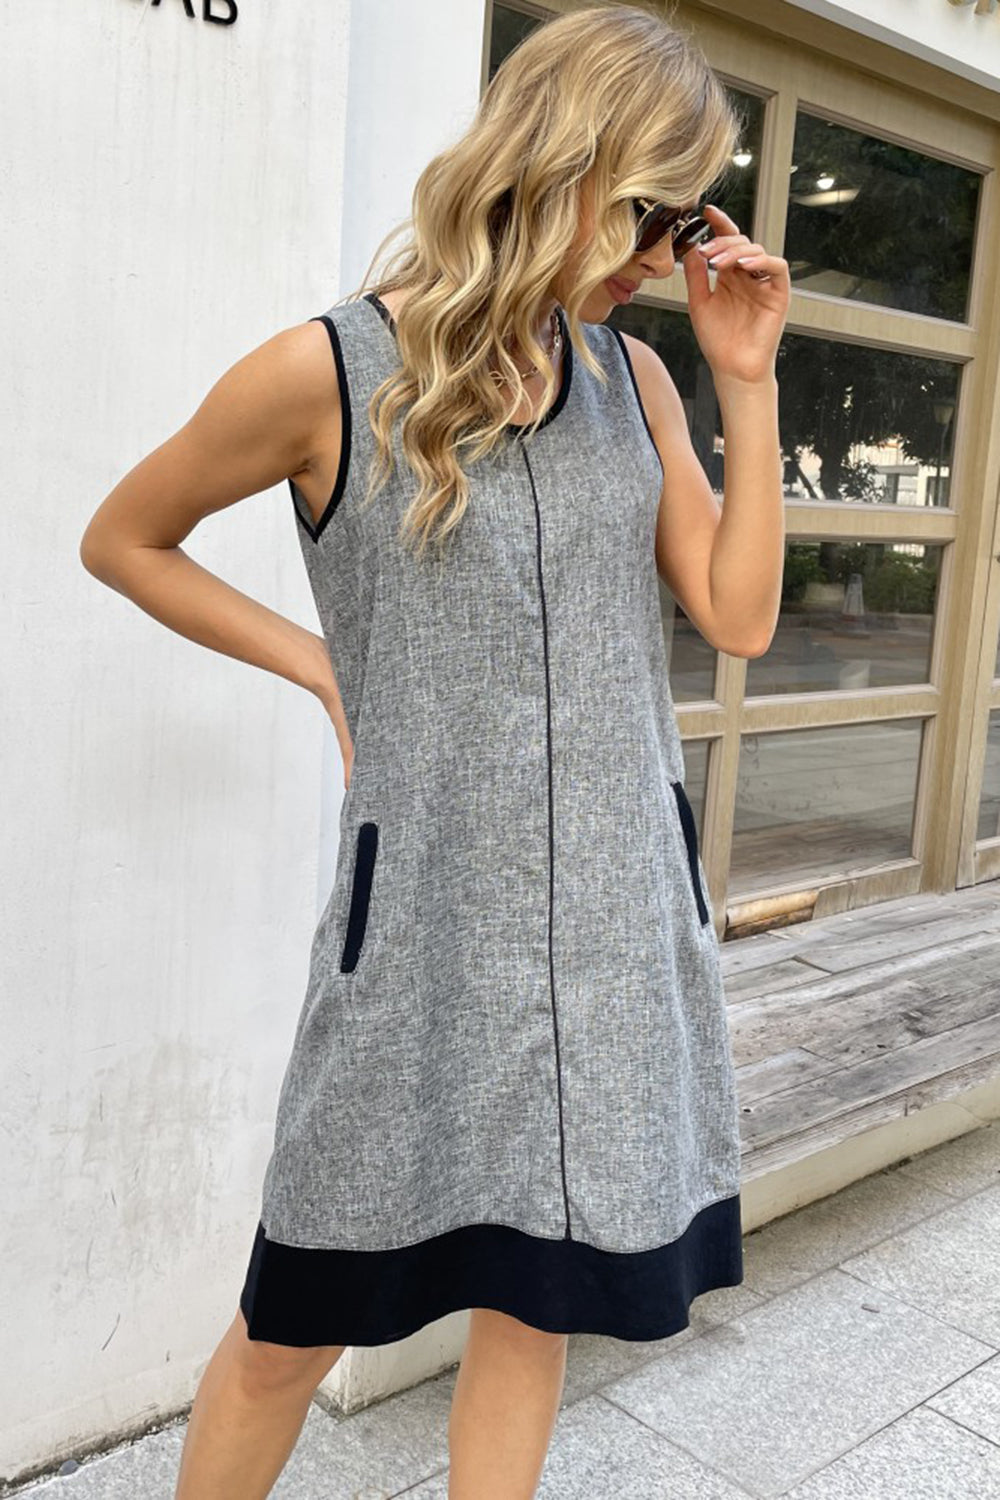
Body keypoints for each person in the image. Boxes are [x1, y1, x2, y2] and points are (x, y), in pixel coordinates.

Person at [79, 4, 789, 1497]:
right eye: (650, 213)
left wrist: (747, 376)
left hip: (609, 930)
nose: (665, 255)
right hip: (420, 928)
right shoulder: (328, 372)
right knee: (293, 1320)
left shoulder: (636, 384)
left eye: (687, 222)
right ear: (564, 162)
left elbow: (737, 615)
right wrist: (321, 667)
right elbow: (126, 538)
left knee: (535, 1303)